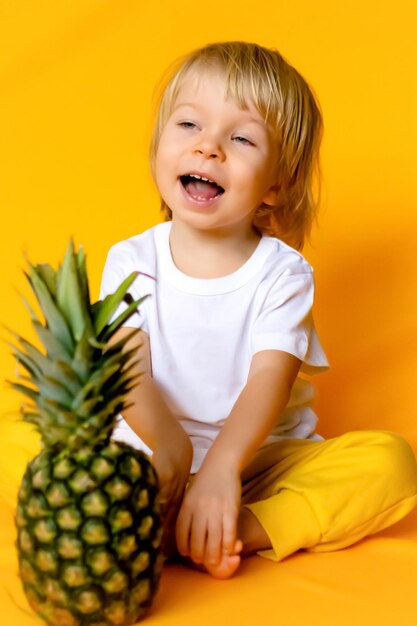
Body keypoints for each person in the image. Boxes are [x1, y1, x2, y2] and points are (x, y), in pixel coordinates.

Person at [100, 41, 417, 579]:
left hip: (257, 460)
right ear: (158, 148)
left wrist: (223, 466)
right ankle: (185, 517)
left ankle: (231, 529)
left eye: (241, 138)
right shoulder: (132, 259)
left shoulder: (283, 274)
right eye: (188, 125)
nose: (208, 148)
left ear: (276, 186)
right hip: (153, 453)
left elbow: (269, 378)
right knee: (21, 440)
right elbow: (126, 368)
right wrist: (171, 449)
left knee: (391, 464)